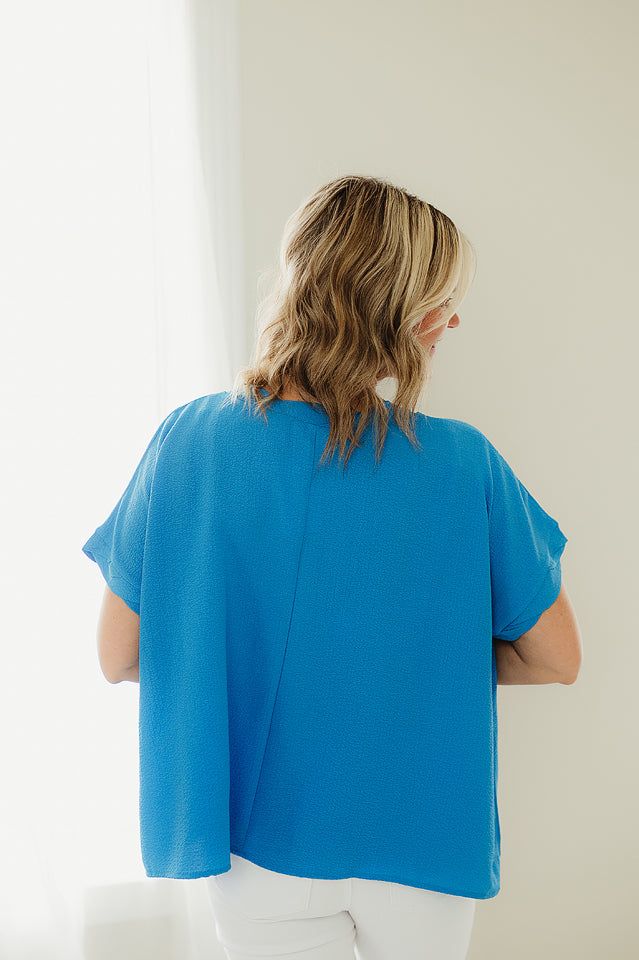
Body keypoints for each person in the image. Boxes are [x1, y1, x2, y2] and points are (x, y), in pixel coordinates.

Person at [82, 175, 582, 960]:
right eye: (440, 299)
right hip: (421, 837)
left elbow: (119, 656)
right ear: (392, 308)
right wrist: (423, 659)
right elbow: (555, 659)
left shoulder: (191, 443)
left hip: (258, 845)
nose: (452, 319)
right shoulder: (464, 464)